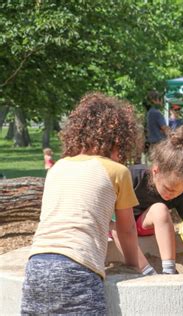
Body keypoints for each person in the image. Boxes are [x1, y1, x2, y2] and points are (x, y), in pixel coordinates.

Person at [21, 93, 147, 314]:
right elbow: (126, 230)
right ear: (119, 140)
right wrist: (133, 265)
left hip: (36, 265)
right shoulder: (117, 171)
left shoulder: (57, 168)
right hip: (77, 268)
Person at [112, 125, 183, 275]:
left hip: (141, 226)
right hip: (121, 227)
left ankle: (169, 270)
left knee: (160, 209)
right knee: (114, 222)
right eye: (169, 189)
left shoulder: (178, 194)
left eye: (180, 191)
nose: (173, 195)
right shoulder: (133, 177)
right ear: (156, 171)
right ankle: (146, 270)